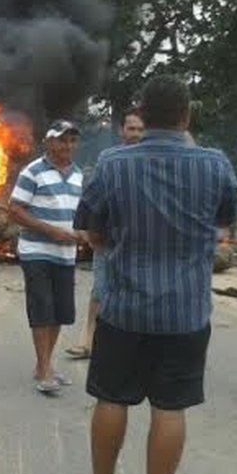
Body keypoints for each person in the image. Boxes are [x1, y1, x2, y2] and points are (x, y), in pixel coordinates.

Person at [65, 75, 237, 474]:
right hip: (185, 314)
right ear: (187, 116)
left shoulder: (112, 164)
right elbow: (223, 222)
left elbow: (90, 231)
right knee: (170, 408)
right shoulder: (215, 165)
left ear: (141, 114)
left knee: (111, 399)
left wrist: (117, 244)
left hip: (123, 309)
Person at [9, 119, 84, 395]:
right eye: (62, 140)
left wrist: (83, 233)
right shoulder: (33, 172)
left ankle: (46, 365)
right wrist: (51, 231)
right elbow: (15, 210)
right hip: (36, 251)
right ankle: (43, 369)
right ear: (48, 142)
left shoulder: (77, 175)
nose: (68, 145)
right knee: (42, 308)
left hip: (66, 254)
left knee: (61, 311)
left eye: (72, 140)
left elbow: (78, 214)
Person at [67, 109, 144, 360]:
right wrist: (87, 229)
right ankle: (88, 341)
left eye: (141, 129)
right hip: (108, 240)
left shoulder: (152, 160)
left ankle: (129, 348)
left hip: (139, 244)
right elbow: (93, 196)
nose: (135, 134)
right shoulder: (109, 159)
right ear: (122, 131)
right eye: (131, 128)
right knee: (99, 291)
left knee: (136, 294)